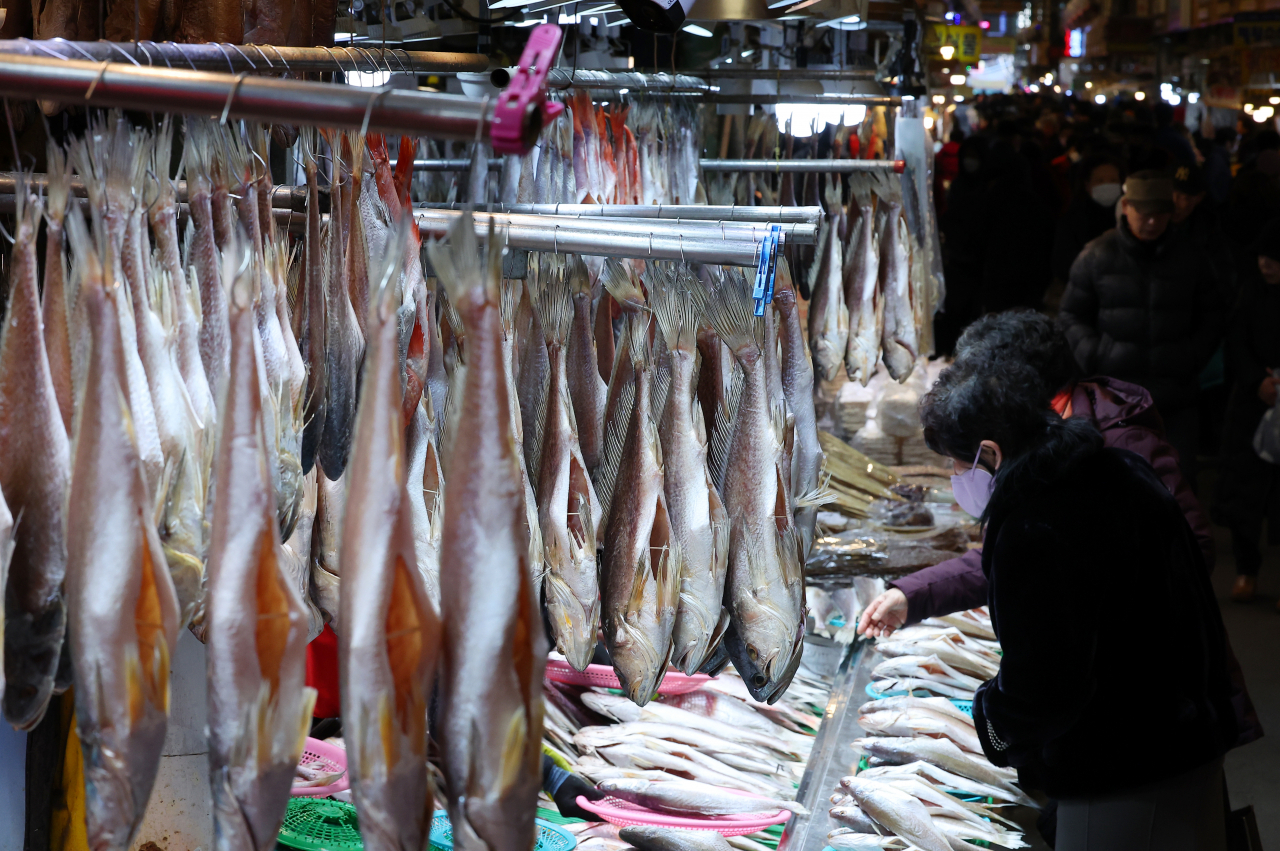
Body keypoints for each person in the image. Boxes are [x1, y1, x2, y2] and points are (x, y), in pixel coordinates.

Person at [914, 356, 1241, 851]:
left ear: (990, 453)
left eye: (957, 464)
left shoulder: (1035, 526)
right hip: (1185, 736)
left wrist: (990, 724)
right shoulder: (1116, 468)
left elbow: (1046, 684)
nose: (956, 476)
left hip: (1126, 766)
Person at [860, 310, 1215, 634]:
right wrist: (915, 595)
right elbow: (1012, 557)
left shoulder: (1120, 448)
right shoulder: (1035, 445)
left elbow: (1192, 550)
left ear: (1022, 389)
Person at [1059, 170, 1227, 485]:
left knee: (1176, 484)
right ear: (1126, 207)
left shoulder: (1191, 255)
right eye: (1143, 213)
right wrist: (1096, 357)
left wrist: (1190, 357)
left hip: (1175, 395)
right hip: (1113, 397)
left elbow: (1213, 314)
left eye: (1159, 214)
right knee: (1115, 483)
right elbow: (1070, 315)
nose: (1151, 222)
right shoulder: (1097, 254)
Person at [1215, 218, 1280, 605]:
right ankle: (1246, 570)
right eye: (1262, 255)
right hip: (1251, 403)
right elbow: (1235, 341)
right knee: (1244, 492)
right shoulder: (1249, 293)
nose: (1265, 263)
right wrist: (1257, 379)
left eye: (1273, 257)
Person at [1049, 153, 1123, 298]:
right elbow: (1062, 264)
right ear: (1087, 185)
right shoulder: (1072, 220)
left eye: (1113, 180)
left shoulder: (1129, 218)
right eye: (1100, 181)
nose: (1107, 185)